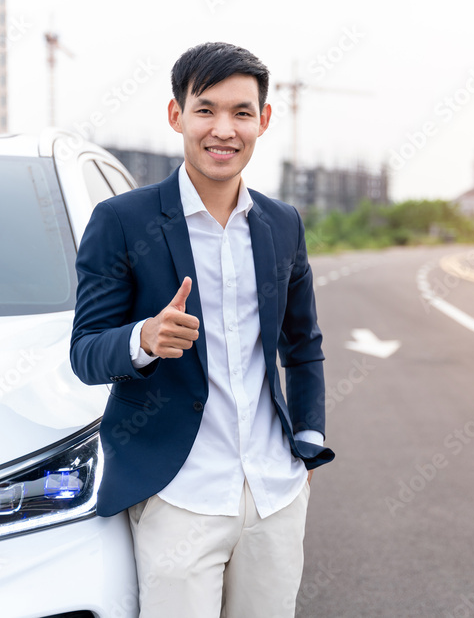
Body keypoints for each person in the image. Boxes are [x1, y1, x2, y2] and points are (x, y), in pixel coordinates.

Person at [70, 41, 333, 617]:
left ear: (263, 120)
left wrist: (306, 446)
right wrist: (142, 339)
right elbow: (85, 352)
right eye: (205, 109)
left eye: (241, 112)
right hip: (178, 496)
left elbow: (304, 345)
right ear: (176, 116)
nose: (224, 129)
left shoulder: (282, 222)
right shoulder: (122, 221)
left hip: (274, 494)